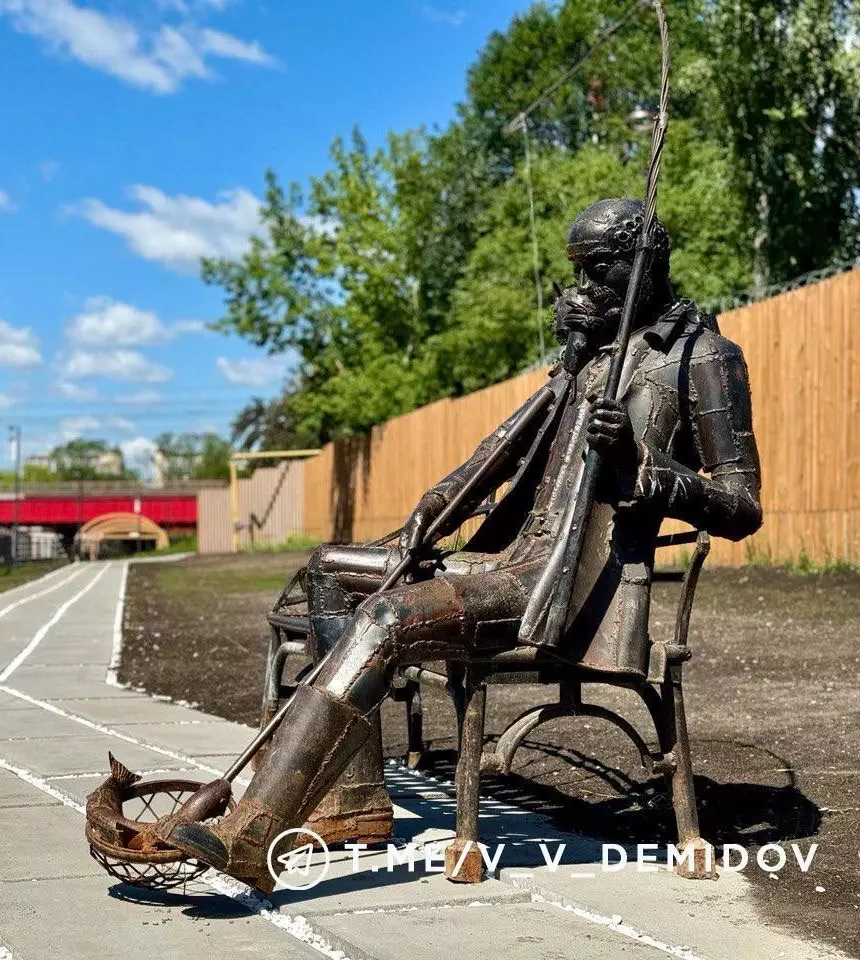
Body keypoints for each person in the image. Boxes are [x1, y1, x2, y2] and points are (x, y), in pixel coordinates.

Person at [164, 197, 764, 893]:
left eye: (599, 272)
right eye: (576, 274)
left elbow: (741, 505)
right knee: (328, 569)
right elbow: (497, 455)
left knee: (387, 618)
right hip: (504, 559)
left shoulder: (705, 357)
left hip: (561, 589)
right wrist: (429, 512)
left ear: (644, 264)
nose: (582, 290)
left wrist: (644, 470)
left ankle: (255, 831)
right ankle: (349, 803)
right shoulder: (590, 359)